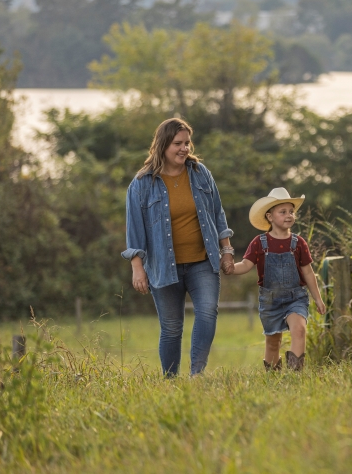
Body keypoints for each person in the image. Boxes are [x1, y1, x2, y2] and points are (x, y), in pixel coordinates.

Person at [123, 118, 236, 377]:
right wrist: (137, 268)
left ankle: (197, 374)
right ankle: (170, 381)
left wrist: (227, 250)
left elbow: (218, 212)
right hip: (163, 266)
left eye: (187, 143)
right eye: (178, 143)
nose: (184, 148)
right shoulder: (141, 184)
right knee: (172, 328)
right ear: (163, 145)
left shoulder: (200, 173)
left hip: (202, 262)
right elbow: (134, 230)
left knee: (207, 313)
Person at [229, 188, 326, 371]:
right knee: (273, 342)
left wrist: (318, 298)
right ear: (270, 216)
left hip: (295, 297)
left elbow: (308, 273)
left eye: (291, 211)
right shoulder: (259, 242)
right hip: (270, 301)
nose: (288, 215)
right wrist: (229, 268)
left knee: (299, 330)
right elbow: (245, 265)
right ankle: (273, 378)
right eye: (283, 212)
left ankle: (295, 375)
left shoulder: (299, 243)